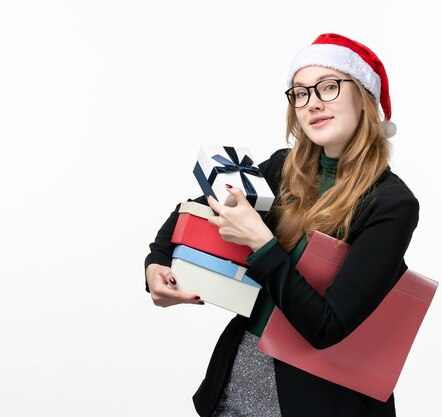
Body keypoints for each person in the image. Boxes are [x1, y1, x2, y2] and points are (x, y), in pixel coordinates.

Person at [144, 33, 420, 417]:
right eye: (301, 93)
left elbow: (327, 327)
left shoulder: (392, 204)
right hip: (235, 387)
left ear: (364, 97)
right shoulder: (282, 168)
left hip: (321, 401)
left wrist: (262, 242)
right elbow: (195, 207)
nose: (313, 103)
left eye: (329, 87)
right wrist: (156, 263)